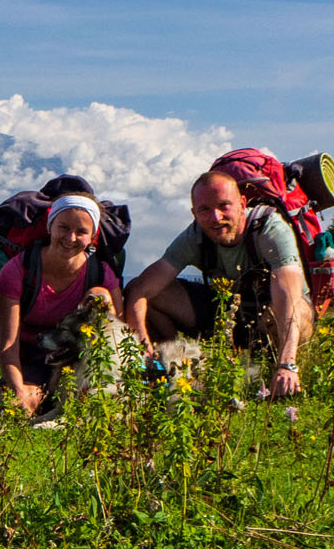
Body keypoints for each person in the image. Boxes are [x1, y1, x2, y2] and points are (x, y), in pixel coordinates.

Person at [122, 170, 313, 397]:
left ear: (242, 203)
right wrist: (144, 352)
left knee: (291, 307)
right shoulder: (195, 236)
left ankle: (275, 371)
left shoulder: (270, 228)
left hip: (276, 318)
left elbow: (288, 295)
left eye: (224, 206)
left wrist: (287, 364)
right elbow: (139, 290)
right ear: (194, 213)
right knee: (155, 296)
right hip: (229, 316)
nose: (215, 217)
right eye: (205, 209)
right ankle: (168, 370)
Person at [0, 191, 122, 415]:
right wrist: (18, 392)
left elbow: (116, 336)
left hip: (78, 362)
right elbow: (8, 344)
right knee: (16, 409)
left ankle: (92, 390)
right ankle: (37, 394)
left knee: (99, 295)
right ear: (50, 226)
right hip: (32, 359)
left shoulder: (101, 275)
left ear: (93, 236)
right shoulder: (18, 270)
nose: (71, 238)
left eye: (81, 231)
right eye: (63, 228)